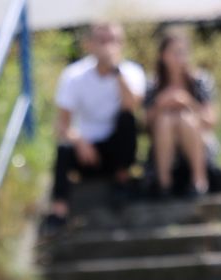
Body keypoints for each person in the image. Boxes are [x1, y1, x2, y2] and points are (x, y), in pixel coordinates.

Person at [46, 22, 147, 229]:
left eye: (113, 40)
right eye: (102, 40)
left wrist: (115, 72)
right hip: (87, 152)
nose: (107, 46)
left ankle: (122, 179)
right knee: (64, 149)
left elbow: (132, 105)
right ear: (89, 44)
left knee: (127, 120)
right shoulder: (74, 75)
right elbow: (62, 125)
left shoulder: (131, 72)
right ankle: (58, 211)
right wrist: (80, 141)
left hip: (116, 150)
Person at [146, 24, 219, 197]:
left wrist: (189, 103)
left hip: (198, 140)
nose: (181, 57)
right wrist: (161, 104)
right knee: (166, 119)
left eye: (183, 52)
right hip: (164, 142)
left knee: (185, 118)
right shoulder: (153, 84)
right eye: (175, 52)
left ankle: (199, 180)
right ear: (163, 55)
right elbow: (146, 125)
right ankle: (164, 183)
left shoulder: (200, 80)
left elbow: (210, 121)